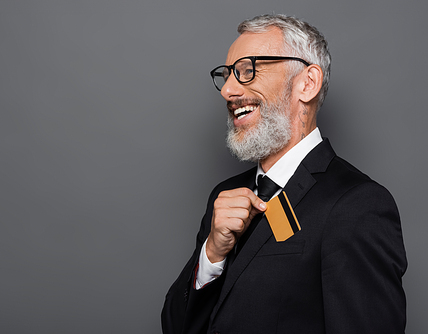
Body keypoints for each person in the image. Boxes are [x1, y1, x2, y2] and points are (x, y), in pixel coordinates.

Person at [161, 14, 407, 334]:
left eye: (247, 70)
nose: (228, 91)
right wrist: (212, 254)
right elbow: (175, 328)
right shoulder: (224, 197)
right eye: (226, 75)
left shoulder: (357, 205)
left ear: (307, 83)